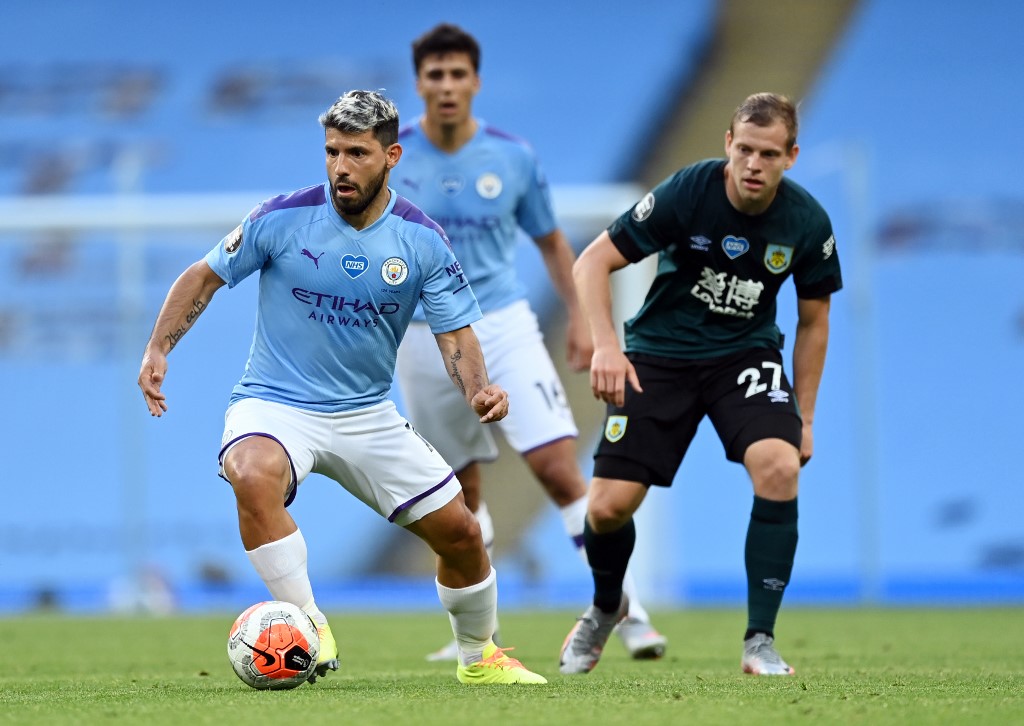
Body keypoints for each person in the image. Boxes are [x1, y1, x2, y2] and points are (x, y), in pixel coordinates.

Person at [137, 90, 546, 686]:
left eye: (357, 153)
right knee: (250, 471)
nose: (340, 167)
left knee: (460, 534)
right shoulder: (280, 218)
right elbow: (204, 276)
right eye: (332, 151)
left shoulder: (421, 240)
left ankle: (479, 657)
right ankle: (308, 624)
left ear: (392, 156)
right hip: (276, 402)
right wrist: (158, 347)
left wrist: (479, 391)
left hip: (364, 414)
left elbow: (455, 336)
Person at [393, 22, 667, 662]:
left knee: (557, 469)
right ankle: (478, 638)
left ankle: (623, 607)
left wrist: (579, 318)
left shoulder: (512, 157)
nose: (447, 85)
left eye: (458, 73)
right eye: (435, 74)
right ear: (420, 83)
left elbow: (550, 242)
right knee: (458, 496)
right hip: (424, 335)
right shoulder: (392, 155)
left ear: (476, 81)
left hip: (504, 323)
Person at [560, 92, 842, 676]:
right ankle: (608, 606)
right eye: (744, 149)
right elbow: (591, 262)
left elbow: (814, 323)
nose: (753, 164)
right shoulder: (690, 190)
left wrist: (806, 419)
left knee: (780, 466)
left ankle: (759, 640)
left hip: (744, 356)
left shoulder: (808, 222)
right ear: (727, 146)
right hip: (659, 357)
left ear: (791, 156)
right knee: (608, 508)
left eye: (769, 153)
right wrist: (607, 347)